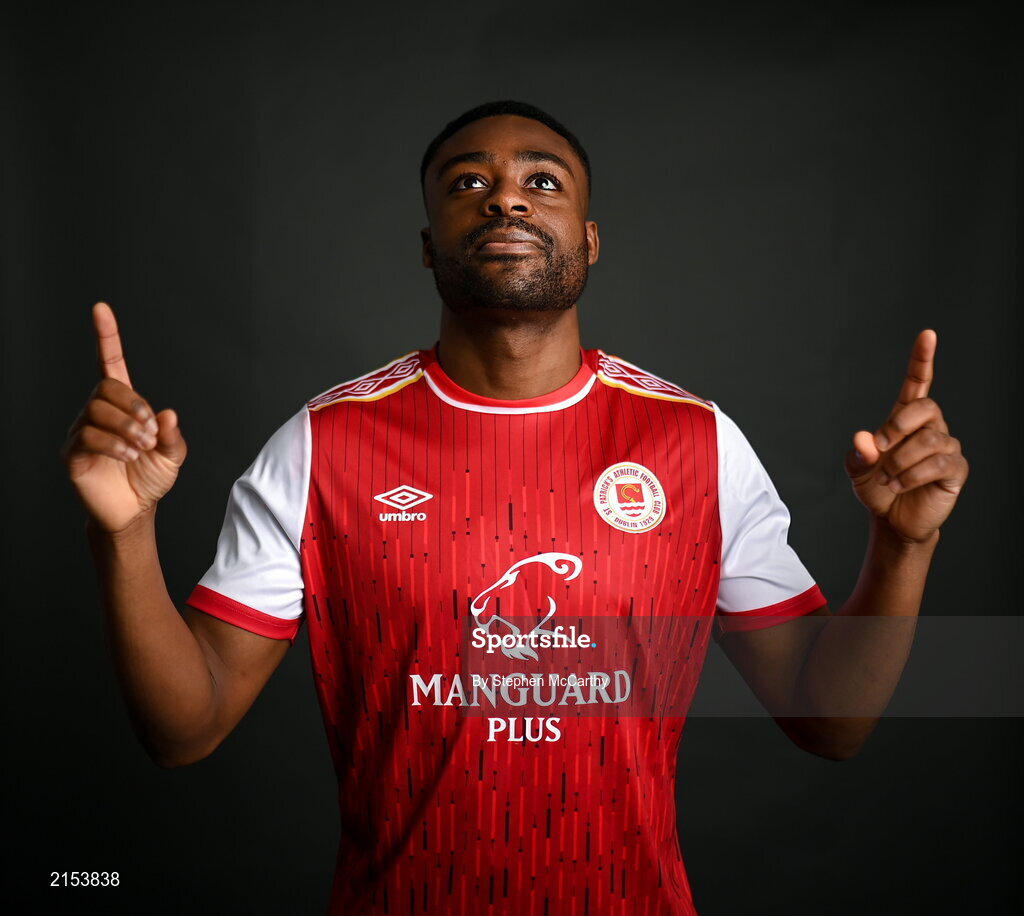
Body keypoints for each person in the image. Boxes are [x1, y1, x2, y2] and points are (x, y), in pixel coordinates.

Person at [62, 100, 969, 915]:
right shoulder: (323, 443)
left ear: (592, 237)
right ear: (427, 243)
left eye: (542, 180)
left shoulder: (696, 442)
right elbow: (184, 732)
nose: (506, 200)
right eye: (470, 183)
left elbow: (829, 719)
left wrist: (901, 549)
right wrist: (127, 533)